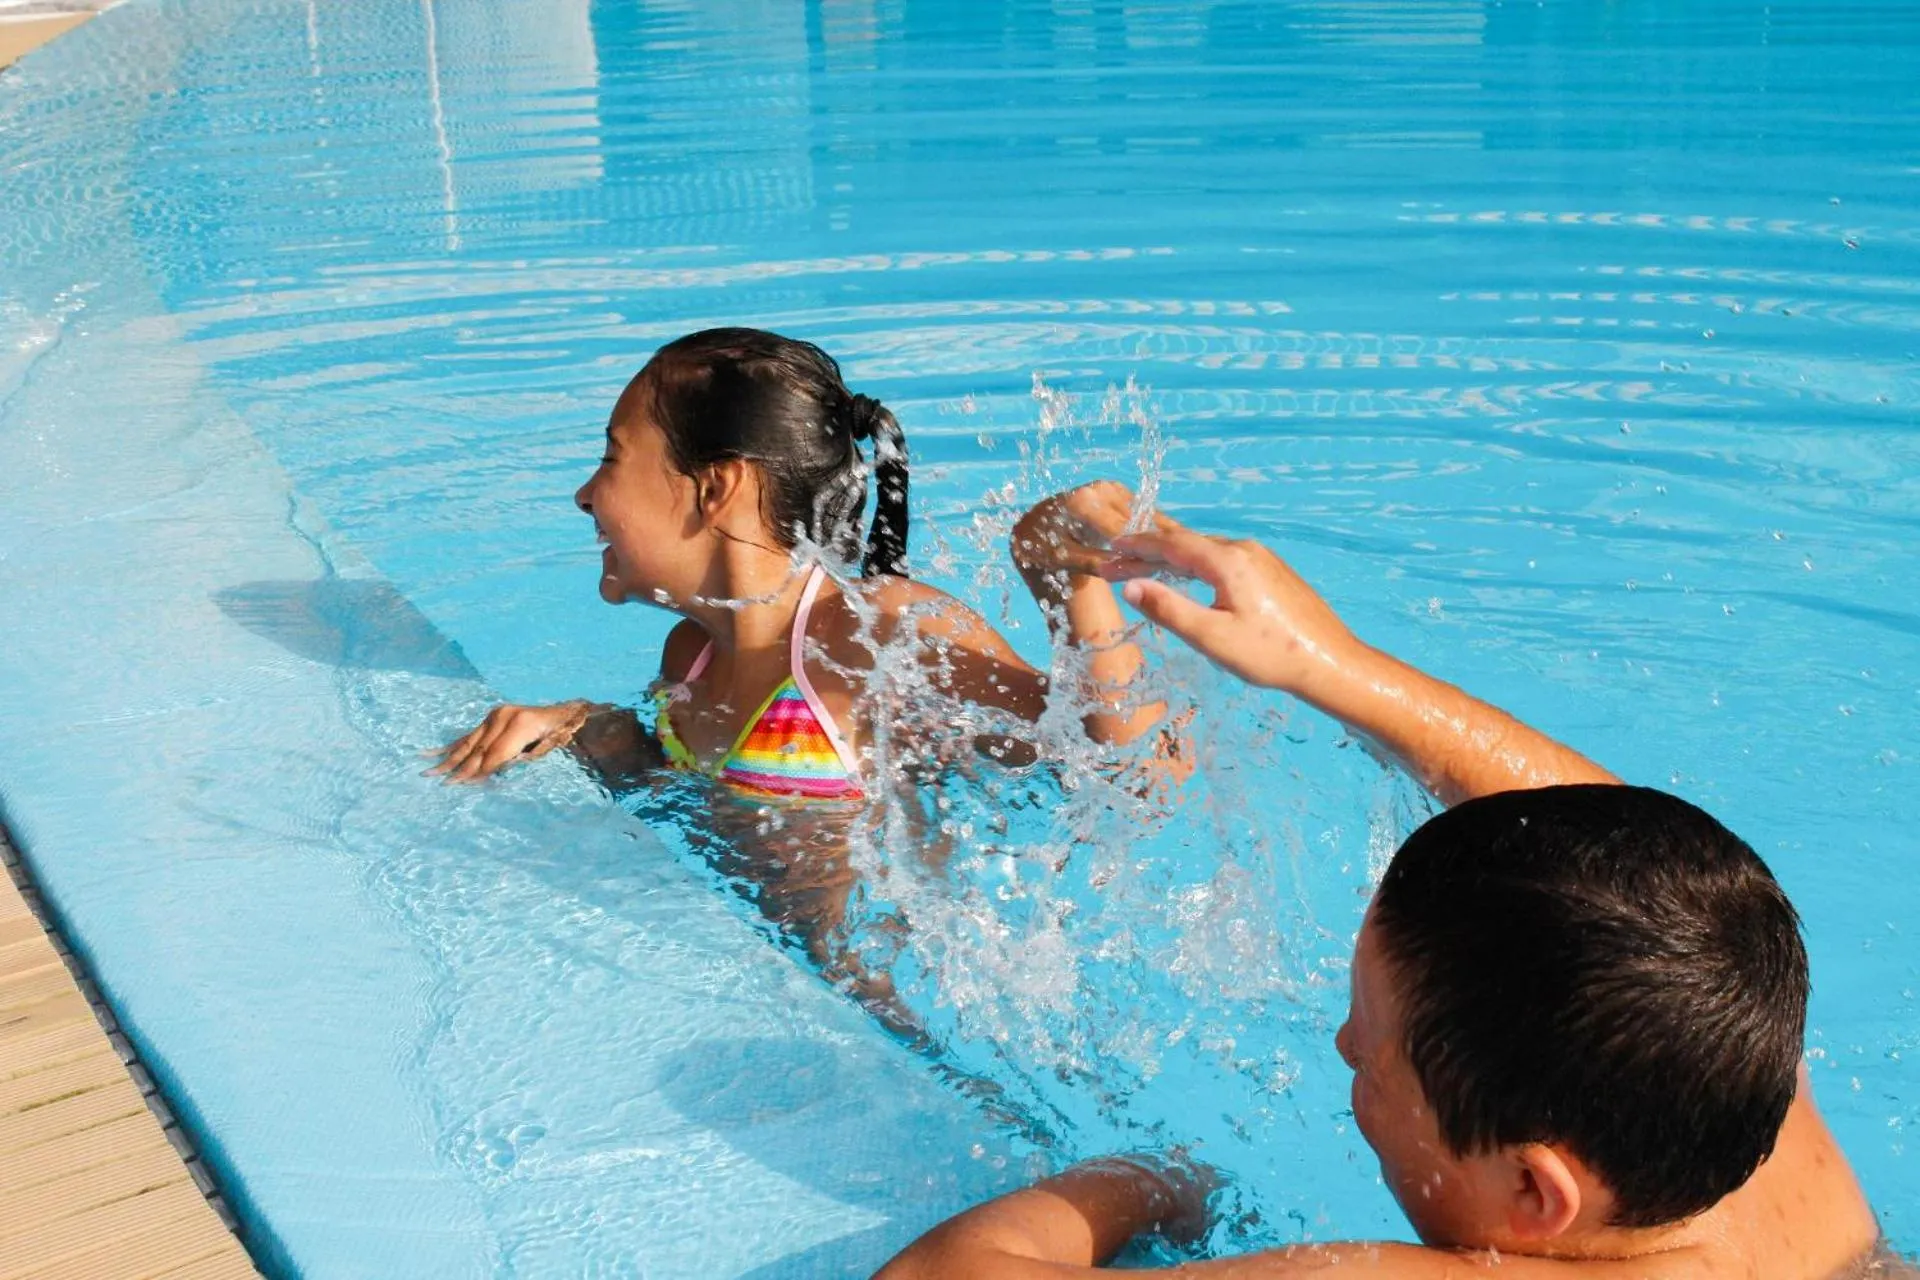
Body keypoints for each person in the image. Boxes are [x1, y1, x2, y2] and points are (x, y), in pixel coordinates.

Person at [876, 512, 1891, 1279]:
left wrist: (1142, 1181)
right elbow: (1619, 848)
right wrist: (1332, 665)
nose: (1344, 1048)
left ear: (1536, 1190)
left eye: (1375, 1053)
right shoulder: (1731, 1085)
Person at [427, 330, 1177, 1023]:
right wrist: (580, 724)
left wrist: (1065, 586)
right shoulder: (690, 656)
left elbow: (1137, 778)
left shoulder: (870, 634)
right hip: (790, 1006)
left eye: (612, 458)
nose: (586, 494)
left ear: (716, 485)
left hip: (920, 1033)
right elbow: (677, 788)